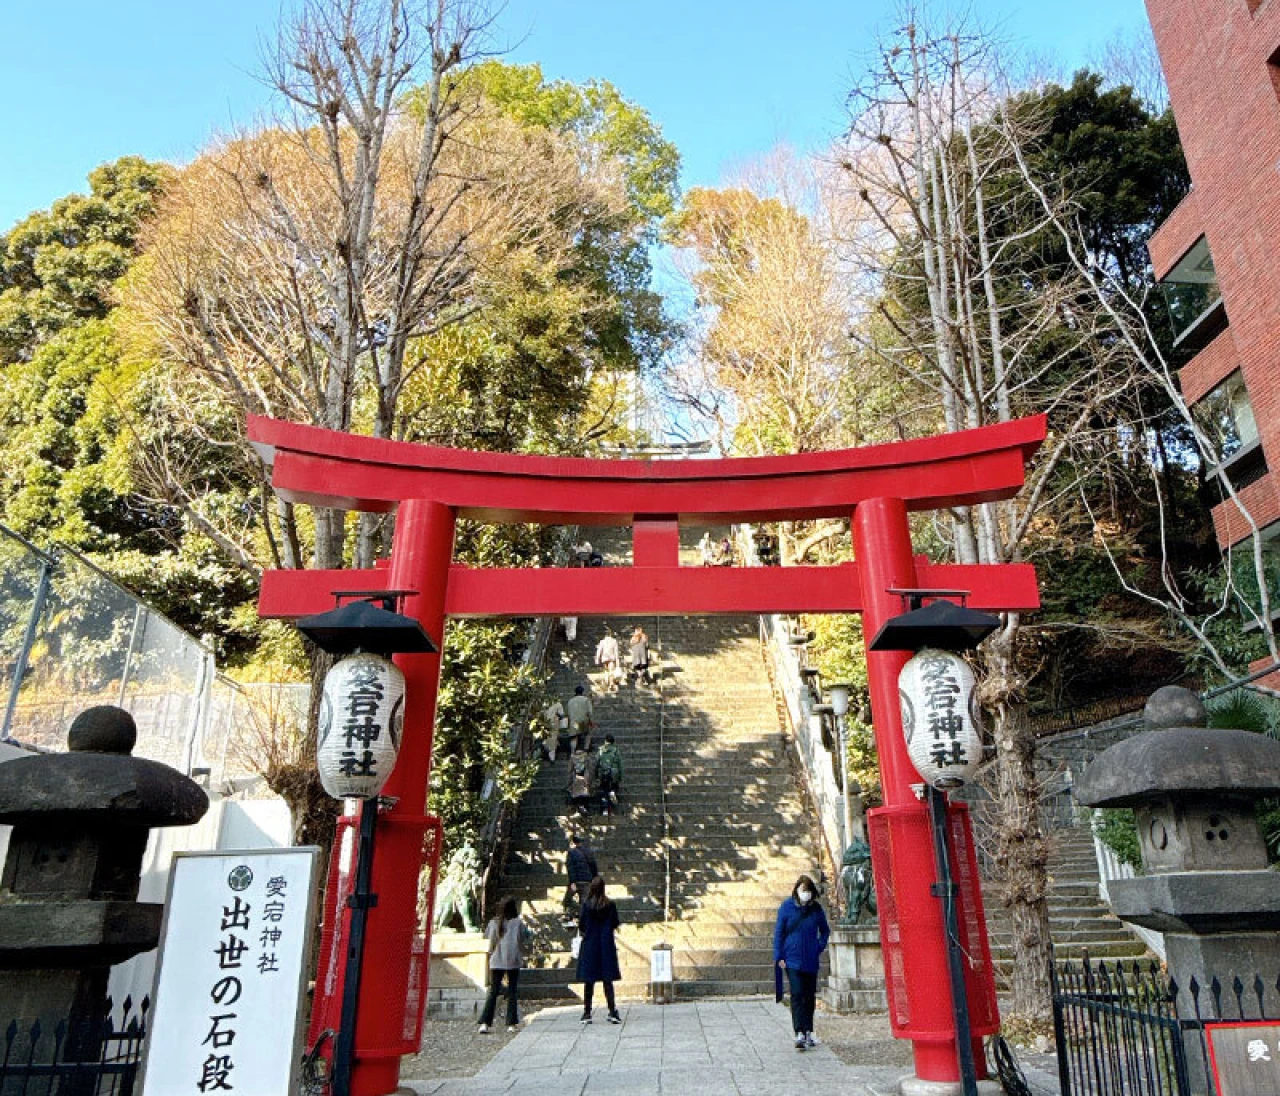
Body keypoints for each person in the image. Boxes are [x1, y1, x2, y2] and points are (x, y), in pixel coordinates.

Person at [773, 874, 830, 1051]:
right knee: (797, 994)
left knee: (809, 996)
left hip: (810, 959)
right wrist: (779, 955)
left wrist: (818, 947)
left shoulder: (816, 910)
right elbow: (779, 932)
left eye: (808, 891)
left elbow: (825, 931)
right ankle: (799, 1031)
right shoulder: (787, 907)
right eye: (803, 891)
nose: (806, 895)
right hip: (792, 958)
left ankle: (808, 1030)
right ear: (797, 890)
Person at [478, 897, 530, 1034]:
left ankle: (485, 1022)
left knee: (493, 991)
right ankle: (511, 1023)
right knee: (512, 992)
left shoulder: (493, 923)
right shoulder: (518, 923)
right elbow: (525, 937)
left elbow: (488, 940)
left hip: (496, 960)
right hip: (513, 960)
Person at [576, 875, 622, 1026]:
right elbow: (615, 922)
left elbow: (582, 925)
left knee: (589, 981)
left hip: (590, 944)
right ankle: (612, 1010)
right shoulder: (610, 905)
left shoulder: (586, 905)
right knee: (607, 980)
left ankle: (587, 1012)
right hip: (606, 944)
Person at [563, 834, 598, 923]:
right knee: (584, 902)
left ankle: (575, 913)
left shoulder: (571, 853)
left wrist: (572, 882)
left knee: (567, 901)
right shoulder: (589, 852)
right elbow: (593, 867)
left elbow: (570, 868)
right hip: (587, 881)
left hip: (576, 881)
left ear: (573, 842)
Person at [566, 746, 598, 815]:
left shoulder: (572, 758)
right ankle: (584, 809)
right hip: (585, 779)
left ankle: (577, 809)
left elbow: (569, 772)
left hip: (576, 779)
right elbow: (591, 770)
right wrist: (591, 781)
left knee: (576, 795)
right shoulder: (586, 757)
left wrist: (568, 784)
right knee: (584, 794)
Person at [597, 734, 623, 813]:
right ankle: (613, 792)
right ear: (613, 742)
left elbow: (597, 762)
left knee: (604, 790)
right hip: (614, 771)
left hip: (604, 772)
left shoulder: (601, 750)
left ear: (605, 741)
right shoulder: (616, 750)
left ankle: (605, 809)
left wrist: (596, 774)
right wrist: (620, 776)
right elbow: (620, 764)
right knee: (614, 785)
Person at [566, 684, 595, 753]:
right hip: (583, 722)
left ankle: (572, 752)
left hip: (574, 723)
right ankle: (586, 748)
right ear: (582, 692)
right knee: (588, 733)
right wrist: (591, 721)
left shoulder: (570, 701)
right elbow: (589, 712)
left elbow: (568, 713)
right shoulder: (586, 700)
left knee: (574, 737)